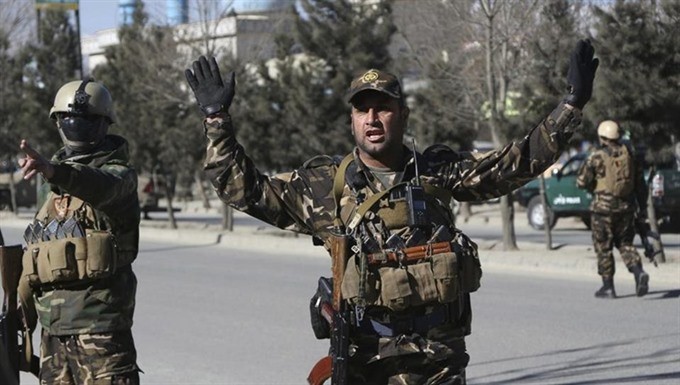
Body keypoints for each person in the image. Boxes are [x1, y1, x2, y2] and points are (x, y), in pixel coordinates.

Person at [185, 39, 598, 384]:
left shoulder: (438, 171)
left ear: (402, 114)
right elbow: (243, 188)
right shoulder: (326, 186)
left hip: (439, 361)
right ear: (351, 121)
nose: (372, 118)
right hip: (367, 362)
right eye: (362, 109)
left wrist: (570, 107)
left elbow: (517, 162)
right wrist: (216, 119)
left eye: (382, 107)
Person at [17, 79, 141, 384]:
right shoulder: (49, 184)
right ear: (59, 123)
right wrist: (20, 323)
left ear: (104, 125)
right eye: (71, 120)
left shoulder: (119, 176)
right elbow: (36, 258)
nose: (78, 128)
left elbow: (98, 184)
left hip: (101, 335)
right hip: (53, 338)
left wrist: (54, 171)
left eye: (87, 122)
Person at [576, 120, 649, 299]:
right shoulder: (629, 155)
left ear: (602, 137)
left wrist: (593, 186)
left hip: (602, 210)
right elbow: (640, 184)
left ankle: (608, 287)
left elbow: (581, 182)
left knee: (604, 247)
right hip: (626, 207)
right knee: (625, 244)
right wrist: (642, 208)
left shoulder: (596, 156)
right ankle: (638, 271)